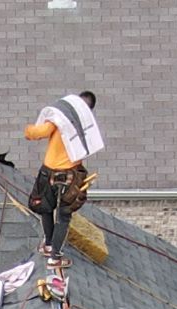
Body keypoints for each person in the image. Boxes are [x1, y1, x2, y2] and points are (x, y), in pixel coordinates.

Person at [21, 90, 103, 292]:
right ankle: (54, 255)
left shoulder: (60, 121)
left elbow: (36, 133)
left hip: (48, 172)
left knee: (46, 207)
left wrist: (28, 129)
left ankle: (49, 244)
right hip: (70, 176)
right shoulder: (84, 126)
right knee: (64, 216)